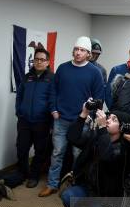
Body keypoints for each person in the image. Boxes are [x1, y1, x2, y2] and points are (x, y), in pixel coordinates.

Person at [38, 36, 104, 197]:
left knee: (77, 155)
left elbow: (99, 99)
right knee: (57, 152)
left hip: (82, 121)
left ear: (88, 54)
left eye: (82, 50)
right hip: (61, 119)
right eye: (76, 49)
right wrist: (53, 109)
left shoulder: (95, 72)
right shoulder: (63, 68)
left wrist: (91, 116)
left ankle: (75, 185)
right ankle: (52, 184)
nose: (78, 53)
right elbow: (53, 90)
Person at [15, 48, 53, 188]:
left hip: (42, 121)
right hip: (24, 120)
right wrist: (19, 111)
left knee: (40, 151)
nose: (38, 62)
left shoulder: (52, 78)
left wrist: (50, 120)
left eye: (42, 60)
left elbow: (53, 100)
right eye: (36, 59)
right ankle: (22, 173)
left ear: (47, 62)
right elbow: (19, 96)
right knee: (21, 148)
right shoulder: (27, 77)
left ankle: (34, 176)